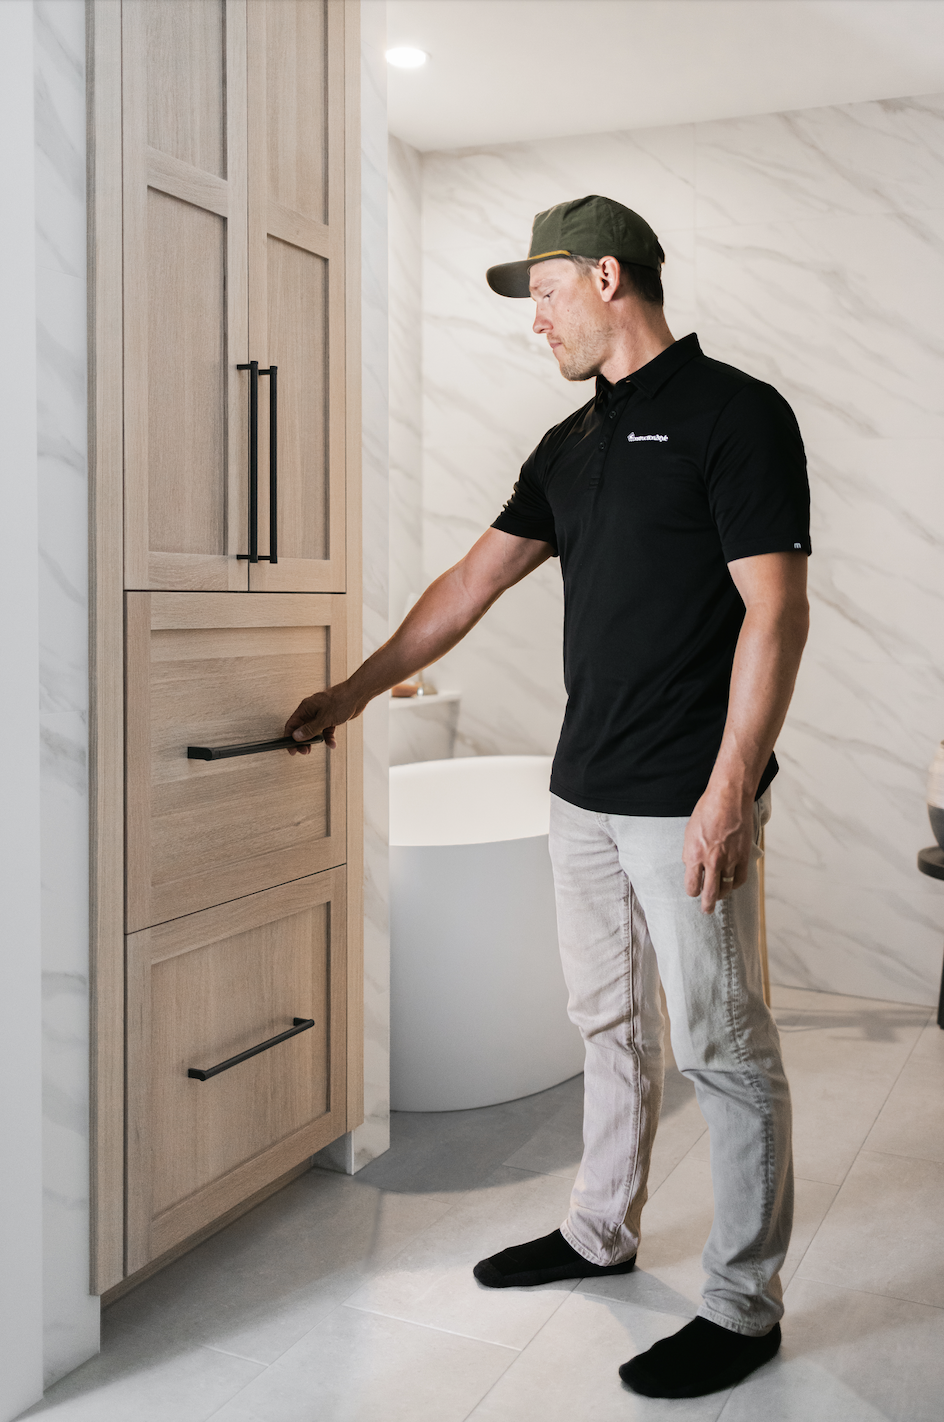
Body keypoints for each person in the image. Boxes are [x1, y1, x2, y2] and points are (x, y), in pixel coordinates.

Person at [285, 195, 810, 1400]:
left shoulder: (735, 414)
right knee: (605, 1025)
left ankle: (741, 1307)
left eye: (544, 294)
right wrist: (355, 690)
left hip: (685, 797)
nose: (535, 322)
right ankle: (597, 1231)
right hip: (581, 794)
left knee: (724, 1046)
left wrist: (730, 788)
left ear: (607, 278)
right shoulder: (568, 444)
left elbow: (774, 612)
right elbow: (468, 583)